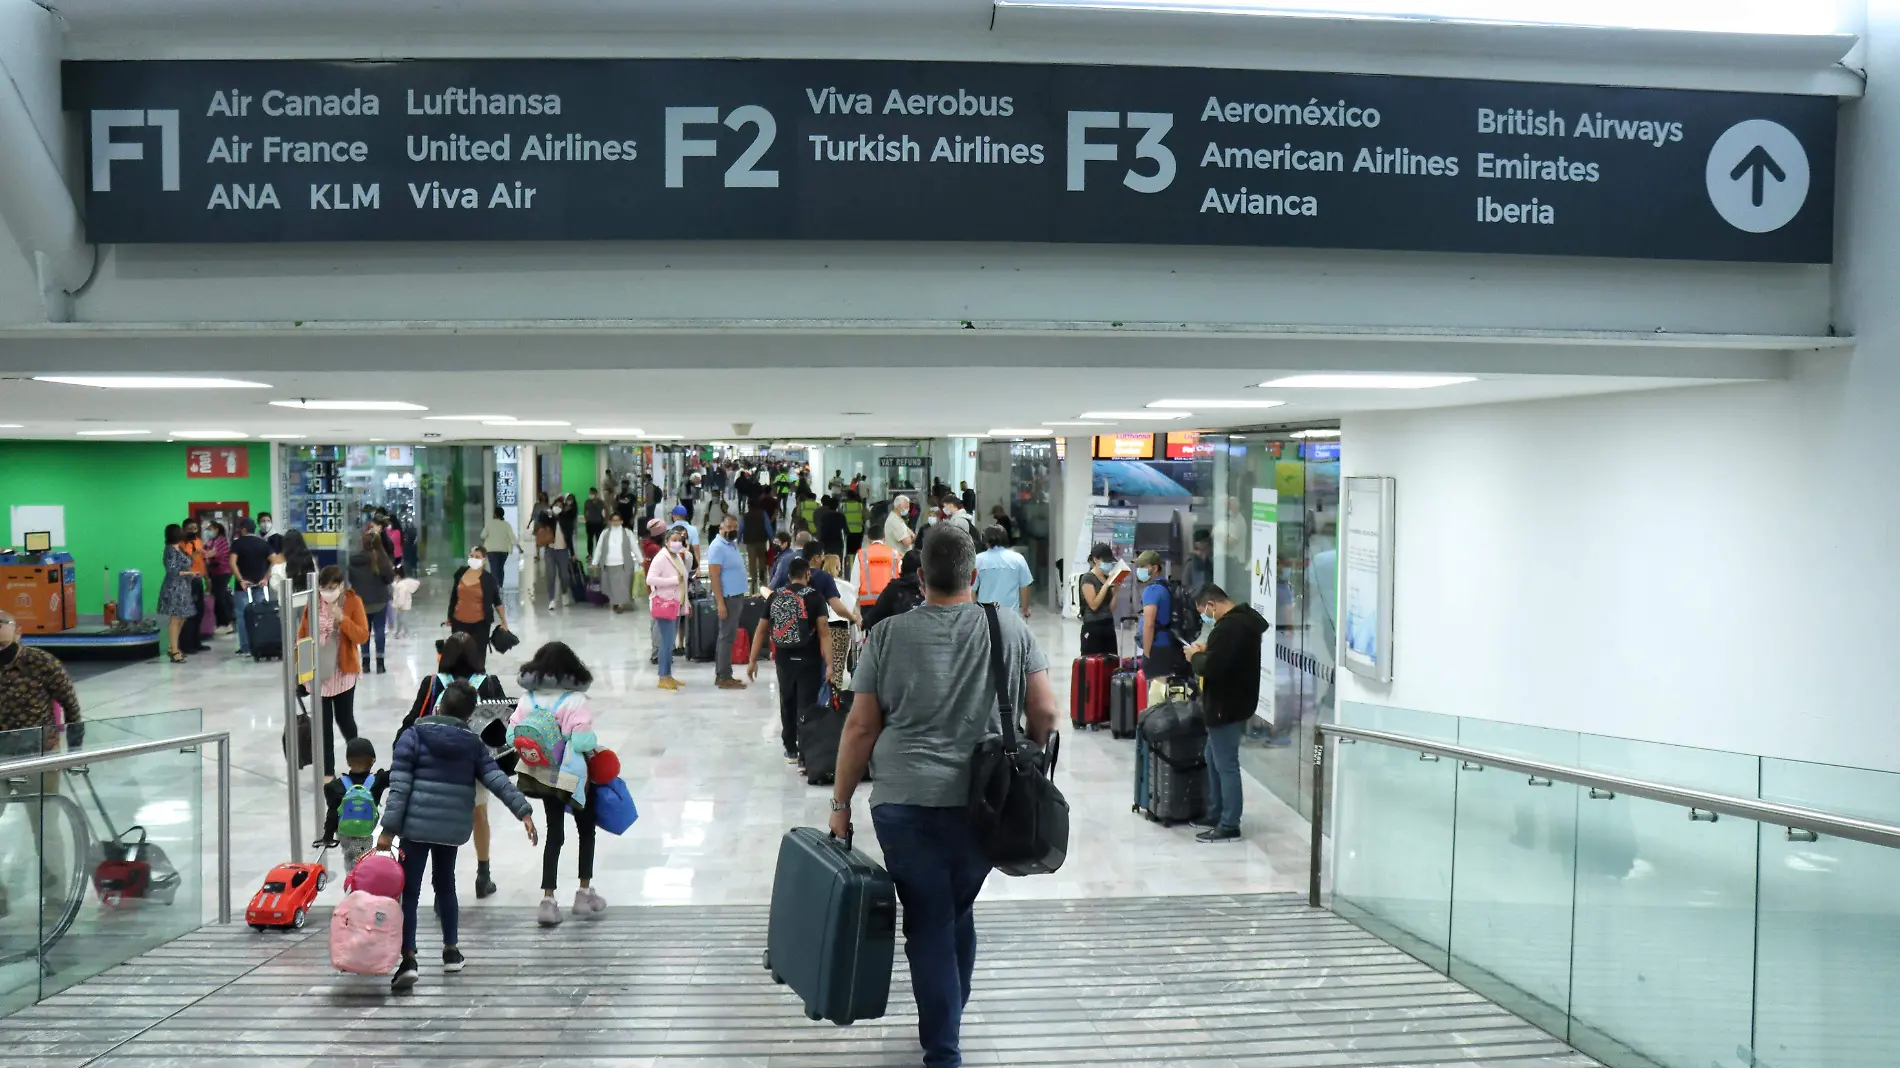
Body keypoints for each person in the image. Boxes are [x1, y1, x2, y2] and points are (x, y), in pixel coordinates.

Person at [828, 525, 1058, 1068]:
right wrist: (1029, 751)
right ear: (973, 576)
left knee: (932, 919)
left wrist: (839, 806)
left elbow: (860, 729)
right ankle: (947, 1019)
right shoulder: (1009, 628)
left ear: (921, 577)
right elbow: (1045, 712)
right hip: (987, 802)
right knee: (954, 910)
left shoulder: (886, 635)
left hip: (904, 806)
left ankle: (943, 1050)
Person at [379, 679, 538, 991]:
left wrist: (388, 829)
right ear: (468, 717)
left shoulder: (412, 736)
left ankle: (409, 958)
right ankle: (451, 951)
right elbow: (496, 778)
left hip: (415, 827)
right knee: (445, 885)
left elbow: (399, 787)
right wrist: (524, 811)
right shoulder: (472, 744)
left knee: (409, 892)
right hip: (450, 829)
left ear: (438, 707)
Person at [401, 631, 514, 898]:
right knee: (479, 815)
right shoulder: (488, 683)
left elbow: (412, 719)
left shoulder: (432, 683)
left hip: (434, 764)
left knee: (438, 822)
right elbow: (503, 726)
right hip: (473, 764)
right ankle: (483, 874)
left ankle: (440, 887)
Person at [508, 643, 607, 927]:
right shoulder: (574, 700)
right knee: (586, 829)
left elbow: (511, 734)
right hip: (571, 776)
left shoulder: (528, 700)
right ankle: (583, 893)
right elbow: (581, 741)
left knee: (555, 833)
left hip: (542, 775)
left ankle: (548, 900)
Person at [0, 608, 83, 919]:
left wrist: (76, 743)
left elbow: (69, 702)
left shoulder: (40, 662)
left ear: (18, 633)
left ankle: (55, 899)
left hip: (38, 756)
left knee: (45, 828)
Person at [1186, 584, 1270, 843]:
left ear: (1212, 604)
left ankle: (1229, 823)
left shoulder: (1230, 627)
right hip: (1235, 701)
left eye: (1204, 611)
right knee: (1213, 756)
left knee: (1226, 764)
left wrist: (1194, 657)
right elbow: (1224, 659)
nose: (1205, 616)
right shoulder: (1242, 623)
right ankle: (1216, 811)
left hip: (1226, 705)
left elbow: (1212, 667)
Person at [747, 556, 832, 764]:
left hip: (784, 658)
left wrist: (752, 660)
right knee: (807, 704)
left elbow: (761, 630)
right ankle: (806, 751)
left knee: (787, 701)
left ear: (788, 576)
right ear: (807, 575)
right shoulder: (815, 598)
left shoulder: (775, 596)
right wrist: (830, 664)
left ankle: (790, 749)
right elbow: (824, 633)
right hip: (809, 658)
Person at [300, 566, 369, 786]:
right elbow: (302, 636)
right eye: (324, 587)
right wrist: (301, 670)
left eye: (332, 587)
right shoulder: (313, 603)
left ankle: (359, 762)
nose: (328, 592)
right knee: (323, 724)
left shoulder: (352, 602)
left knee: (345, 719)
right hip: (318, 672)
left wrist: (342, 620)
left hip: (343, 671)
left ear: (341, 586)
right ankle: (327, 771)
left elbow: (362, 636)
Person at [321, 736, 388, 871]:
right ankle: (360, 884)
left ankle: (353, 884)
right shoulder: (378, 781)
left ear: (348, 762)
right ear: (372, 760)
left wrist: (327, 836)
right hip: (365, 831)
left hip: (345, 832)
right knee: (363, 860)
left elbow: (333, 813)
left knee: (351, 860)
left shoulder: (335, 786)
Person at [706, 513, 750, 690]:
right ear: (721, 528)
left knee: (729, 636)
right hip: (727, 598)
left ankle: (726, 674)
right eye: (729, 527)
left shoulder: (731, 544)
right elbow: (714, 577)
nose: (733, 530)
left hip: (736, 596)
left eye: (735, 527)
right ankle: (723, 676)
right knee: (726, 636)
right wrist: (720, 603)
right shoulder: (717, 547)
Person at [646, 523, 692, 690]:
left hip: (677, 605)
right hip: (665, 605)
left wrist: (686, 602)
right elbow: (650, 580)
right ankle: (662, 676)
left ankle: (668, 675)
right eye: (673, 540)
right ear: (666, 541)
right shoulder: (660, 558)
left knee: (669, 642)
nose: (677, 543)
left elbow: (684, 580)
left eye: (679, 540)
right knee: (666, 643)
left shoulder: (677, 557)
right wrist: (672, 581)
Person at [446, 546, 507, 672]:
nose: (473, 559)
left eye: (477, 557)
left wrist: (504, 621)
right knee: (458, 655)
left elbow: (497, 602)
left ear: (484, 560)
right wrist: (449, 616)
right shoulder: (460, 573)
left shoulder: (489, 580)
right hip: (459, 621)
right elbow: (454, 596)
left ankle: (477, 684)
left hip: (480, 624)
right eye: (471, 556)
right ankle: (461, 683)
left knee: (478, 657)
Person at [1133, 550, 1187, 680]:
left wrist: (1146, 653)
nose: (1139, 570)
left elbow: (1149, 624)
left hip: (1156, 648)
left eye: (1143, 566)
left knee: (1156, 692)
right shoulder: (1166, 586)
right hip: (1168, 644)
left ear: (1155, 568)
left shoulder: (1152, 590)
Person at [349, 529, 395, 674]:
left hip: (361, 602)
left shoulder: (353, 560)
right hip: (380, 600)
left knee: (365, 631)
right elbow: (390, 578)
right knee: (380, 629)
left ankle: (365, 663)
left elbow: (351, 580)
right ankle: (380, 664)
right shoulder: (382, 559)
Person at [229, 518, 274, 655]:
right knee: (260, 615)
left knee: (243, 616)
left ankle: (245, 647)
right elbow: (274, 560)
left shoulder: (237, 544)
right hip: (259, 585)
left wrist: (241, 579)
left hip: (243, 587)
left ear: (243, 530)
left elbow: (232, 563)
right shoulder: (263, 543)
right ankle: (260, 644)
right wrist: (266, 577)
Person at [973, 525, 1035, 618]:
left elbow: (971, 590)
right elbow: (1025, 586)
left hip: (986, 615)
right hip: (1011, 615)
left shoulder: (978, 560)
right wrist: (1025, 609)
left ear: (986, 541)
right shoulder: (1018, 559)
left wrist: (975, 613)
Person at [157, 524, 197, 663]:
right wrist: (190, 573)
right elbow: (172, 571)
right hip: (174, 588)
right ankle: (174, 651)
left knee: (182, 617)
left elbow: (187, 562)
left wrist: (196, 554)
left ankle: (173, 646)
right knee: (175, 618)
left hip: (184, 587)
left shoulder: (178, 548)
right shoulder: (169, 550)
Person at [1076, 543, 1124, 657]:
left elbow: (1111, 608)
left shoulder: (1107, 578)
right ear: (1095, 559)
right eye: (1105, 561)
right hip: (1093, 627)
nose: (1108, 564)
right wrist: (1106, 585)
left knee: (1110, 662)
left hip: (1108, 625)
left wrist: (1116, 592)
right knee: (1093, 664)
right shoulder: (1087, 578)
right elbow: (1093, 605)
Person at [861, 549, 924, 633]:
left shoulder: (894, 588)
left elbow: (875, 616)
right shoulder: (931, 589)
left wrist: (865, 623)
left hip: (898, 640)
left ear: (902, 566)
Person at [590, 511, 639, 614]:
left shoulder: (627, 533)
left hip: (623, 564)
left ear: (621, 521)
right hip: (608, 563)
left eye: (617, 520)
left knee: (622, 585)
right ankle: (615, 602)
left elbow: (635, 547)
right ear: (610, 521)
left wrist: (641, 560)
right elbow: (599, 548)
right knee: (611, 586)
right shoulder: (605, 533)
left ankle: (620, 604)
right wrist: (595, 561)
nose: (615, 522)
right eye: (613, 520)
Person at [177, 517, 208, 654]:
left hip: (198, 580)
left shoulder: (198, 541)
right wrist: (195, 554)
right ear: (184, 530)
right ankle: (186, 645)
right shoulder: (180, 545)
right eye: (190, 529)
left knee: (199, 612)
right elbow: (184, 563)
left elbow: (201, 561)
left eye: (195, 529)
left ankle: (197, 642)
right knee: (188, 614)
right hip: (186, 580)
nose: (193, 531)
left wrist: (207, 578)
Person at [537, 508, 575, 611]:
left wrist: (572, 553)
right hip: (550, 550)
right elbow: (540, 519)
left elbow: (569, 537)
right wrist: (549, 513)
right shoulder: (549, 519)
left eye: (560, 505)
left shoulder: (566, 520)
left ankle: (564, 592)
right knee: (551, 575)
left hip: (563, 551)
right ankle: (552, 599)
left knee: (564, 575)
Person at [203, 521, 234, 633]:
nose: (208, 531)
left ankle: (226, 624)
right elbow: (206, 552)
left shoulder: (222, 540)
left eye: (210, 529)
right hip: (214, 573)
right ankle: (220, 623)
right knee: (218, 597)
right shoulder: (211, 541)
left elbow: (212, 553)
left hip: (223, 572)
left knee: (219, 598)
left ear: (217, 529)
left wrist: (200, 554)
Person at [480, 506, 518, 587]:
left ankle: (495, 587)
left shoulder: (490, 524)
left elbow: (483, 535)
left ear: (495, 514)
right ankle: (500, 585)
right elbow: (512, 537)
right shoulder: (506, 524)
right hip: (504, 550)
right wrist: (519, 548)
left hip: (491, 550)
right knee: (500, 568)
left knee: (494, 569)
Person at [840, 490, 867, 573]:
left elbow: (840, 517)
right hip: (859, 531)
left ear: (848, 497)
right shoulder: (860, 506)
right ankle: (857, 567)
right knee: (857, 550)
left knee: (849, 551)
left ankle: (849, 569)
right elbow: (867, 516)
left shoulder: (844, 506)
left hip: (848, 532)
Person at [817, 494, 847, 562]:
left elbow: (822, 530)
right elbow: (846, 531)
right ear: (837, 506)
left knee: (827, 562)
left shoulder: (824, 517)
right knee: (838, 562)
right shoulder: (841, 516)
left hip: (826, 543)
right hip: (837, 542)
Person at [1185, 529, 1215, 593]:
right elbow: (1185, 584)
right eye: (1205, 541)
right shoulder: (1191, 563)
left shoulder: (1210, 561)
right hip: (1196, 598)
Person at [583, 488, 607, 556]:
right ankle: (590, 553)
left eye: (592, 493)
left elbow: (606, 510)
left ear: (596, 494)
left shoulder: (601, 502)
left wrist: (605, 520)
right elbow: (585, 510)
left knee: (598, 539)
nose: (591, 495)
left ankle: (598, 553)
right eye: (590, 493)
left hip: (598, 523)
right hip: (590, 523)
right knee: (589, 539)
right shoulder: (587, 502)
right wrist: (586, 518)